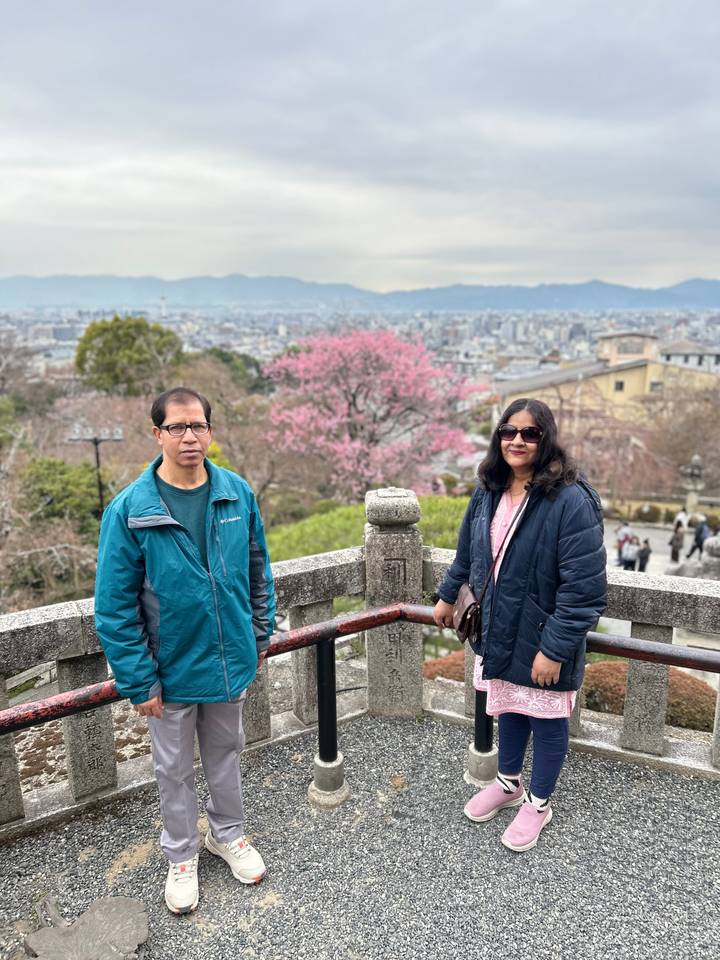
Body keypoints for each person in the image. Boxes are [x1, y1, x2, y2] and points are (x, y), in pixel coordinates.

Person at [95, 387, 276, 915]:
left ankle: (229, 833)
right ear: (158, 434)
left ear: (210, 431)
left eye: (198, 425)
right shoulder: (131, 509)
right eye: (176, 427)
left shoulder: (235, 493)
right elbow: (113, 606)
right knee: (172, 767)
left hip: (228, 661)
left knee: (226, 752)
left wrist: (258, 636)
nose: (189, 436)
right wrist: (138, 679)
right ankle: (181, 853)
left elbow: (258, 571)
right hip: (168, 668)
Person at [433, 398, 606, 853]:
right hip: (499, 627)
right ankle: (509, 783)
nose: (517, 441)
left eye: (530, 433)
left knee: (547, 721)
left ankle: (539, 802)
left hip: (543, 634)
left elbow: (584, 589)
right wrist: (447, 594)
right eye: (509, 431)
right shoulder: (489, 488)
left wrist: (555, 648)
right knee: (507, 706)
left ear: (546, 439)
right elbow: (468, 553)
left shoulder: (570, 500)